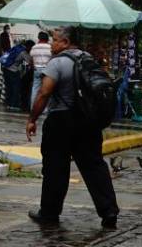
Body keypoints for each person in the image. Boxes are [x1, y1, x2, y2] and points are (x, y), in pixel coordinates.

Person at [26, 26, 119, 230]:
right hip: (88, 121)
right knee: (94, 166)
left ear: (66, 43)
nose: (52, 44)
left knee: (55, 167)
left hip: (61, 120)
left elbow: (44, 93)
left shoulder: (58, 63)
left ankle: (49, 213)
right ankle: (109, 211)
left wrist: (32, 119)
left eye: (56, 40)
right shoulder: (89, 59)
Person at [0, 39, 31, 112]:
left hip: (5, 68)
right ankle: (14, 105)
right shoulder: (23, 52)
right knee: (16, 88)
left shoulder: (16, 48)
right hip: (13, 70)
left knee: (9, 87)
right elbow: (30, 61)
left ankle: (8, 104)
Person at [29, 31, 52, 106]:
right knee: (46, 89)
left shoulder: (34, 47)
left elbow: (31, 59)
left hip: (37, 69)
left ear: (39, 38)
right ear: (47, 39)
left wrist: (34, 67)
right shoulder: (50, 47)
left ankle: (33, 106)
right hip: (47, 70)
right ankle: (44, 109)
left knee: (35, 89)